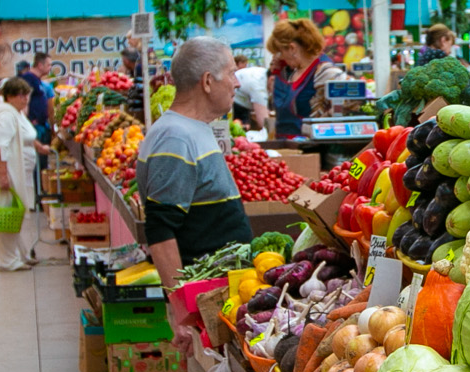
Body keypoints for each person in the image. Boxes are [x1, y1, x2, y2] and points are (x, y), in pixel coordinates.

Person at [136, 38, 252, 354]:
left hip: (215, 299)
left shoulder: (192, 129)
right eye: (231, 72)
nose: (237, 82)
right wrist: (182, 311)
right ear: (207, 81)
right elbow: (160, 232)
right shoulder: (175, 137)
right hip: (201, 303)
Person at [0, 77, 47, 271]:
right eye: (20, 95)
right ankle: (8, 260)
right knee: (6, 214)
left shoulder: (12, 113)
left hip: (11, 170)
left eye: (26, 94)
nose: (25, 99)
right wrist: (3, 176)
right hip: (3, 172)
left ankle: (19, 255)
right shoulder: (5, 116)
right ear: (9, 96)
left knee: (13, 213)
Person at [266, 18, 335, 141]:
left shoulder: (326, 73)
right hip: (288, 146)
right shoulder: (291, 72)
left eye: (280, 52)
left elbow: (345, 110)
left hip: (315, 150)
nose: (280, 58)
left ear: (292, 48)